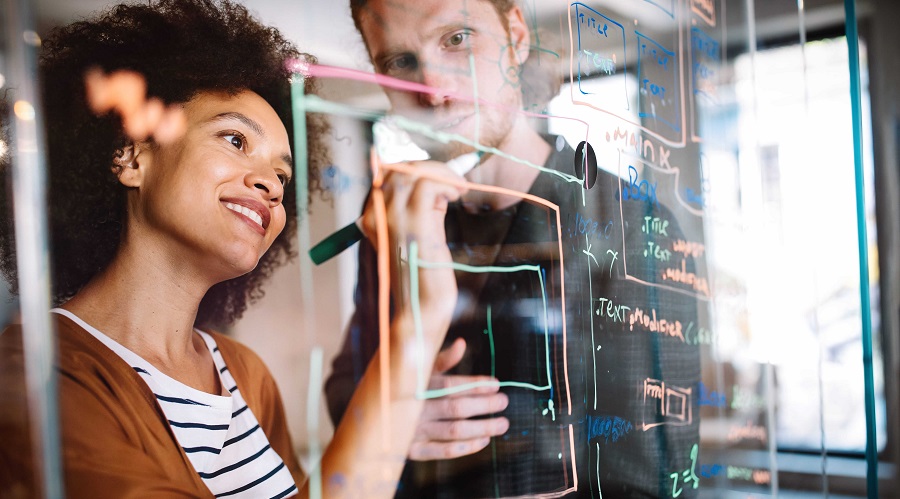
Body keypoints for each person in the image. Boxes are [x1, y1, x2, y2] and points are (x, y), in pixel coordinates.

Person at [0, 0, 464, 497]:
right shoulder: (33, 374)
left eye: (282, 175)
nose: (271, 185)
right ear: (131, 158)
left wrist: (395, 419)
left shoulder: (245, 373)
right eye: (235, 140)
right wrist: (420, 321)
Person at [324, 0, 702, 497]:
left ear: (516, 36)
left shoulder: (629, 223)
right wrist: (388, 417)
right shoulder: (395, 219)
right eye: (400, 61)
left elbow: (647, 474)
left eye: (457, 39)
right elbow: (343, 385)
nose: (433, 90)